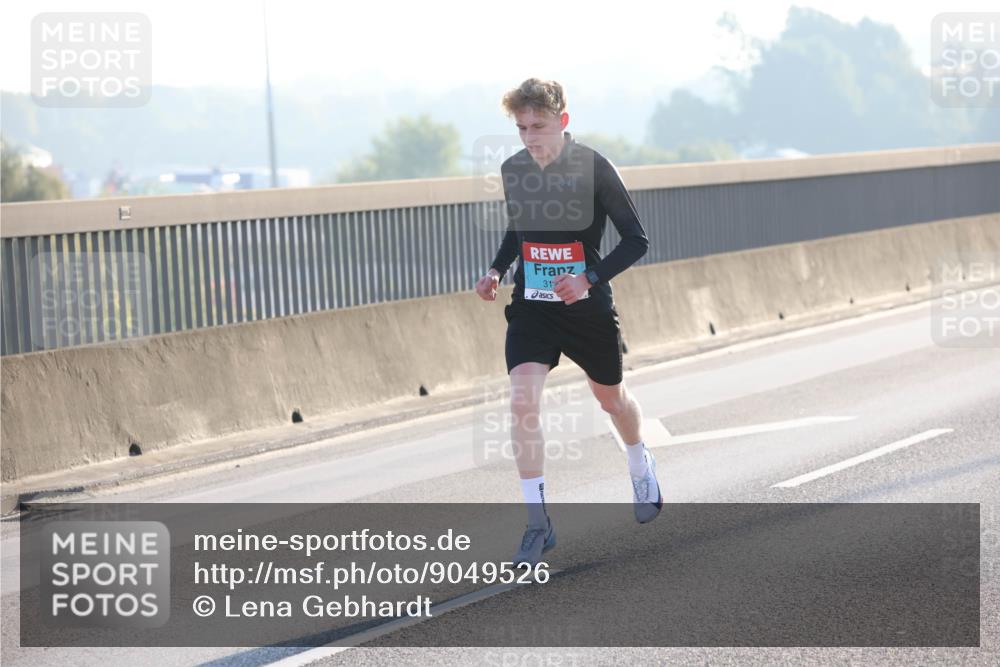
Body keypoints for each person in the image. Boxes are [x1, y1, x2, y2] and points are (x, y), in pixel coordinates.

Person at [474, 78, 662, 566]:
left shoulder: (594, 168)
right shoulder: (514, 169)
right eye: (521, 128)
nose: (529, 137)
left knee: (612, 400)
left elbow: (637, 239)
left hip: (586, 308)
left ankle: (640, 461)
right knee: (521, 403)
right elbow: (519, 229)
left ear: (563, 121)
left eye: (538, 126)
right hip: (534, 307)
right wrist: (496, 270)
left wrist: (589, 278)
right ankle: (538, 524)